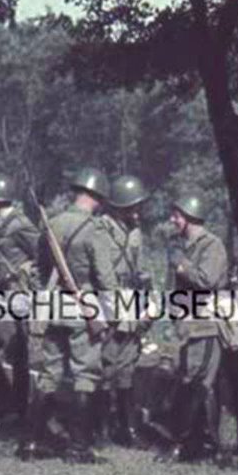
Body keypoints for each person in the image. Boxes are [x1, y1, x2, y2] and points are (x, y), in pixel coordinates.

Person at [34, 168, 118, 464]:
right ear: (96, 197)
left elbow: (42, 267)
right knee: (85, 374)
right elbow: (105, 278)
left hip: (55, 305)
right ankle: (78, 447)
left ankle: (35, 441)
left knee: (50, 373)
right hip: (84, 307)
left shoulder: (52, 224)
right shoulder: (94, 229)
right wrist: (109, 313)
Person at [160, 194, 229, 463]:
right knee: (188, 380)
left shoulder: (212, 245)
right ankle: (196, 443)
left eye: (177, 215)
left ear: (189, 216)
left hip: (206, 325)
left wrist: (181, 265)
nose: (172, 220)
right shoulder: (181, 244)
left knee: (200, 383)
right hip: (186, 325)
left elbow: (207, 280)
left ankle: (200, 445)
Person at [0, 175, 39, 442]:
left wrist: (25, 271)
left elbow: (43, 256)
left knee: (16, 352)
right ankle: (6, 398)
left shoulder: (20, 224)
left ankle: (18, 407)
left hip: (16, 296)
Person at [100, 176, 153, 449]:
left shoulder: (135, 232)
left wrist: (147, 304)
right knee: (104, 366)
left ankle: (127, 427)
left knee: (127, 367)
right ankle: (99, 425)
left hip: (131, 302)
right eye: (131, 206)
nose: (136, 211)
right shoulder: (102, 229)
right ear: (118, 206)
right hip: (109, 303)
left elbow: (140, 270)